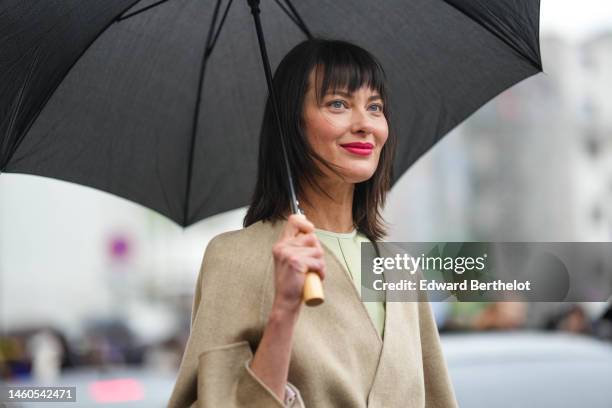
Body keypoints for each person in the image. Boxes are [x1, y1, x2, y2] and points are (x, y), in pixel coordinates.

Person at [168, 38, 457, 408]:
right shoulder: (236, 259)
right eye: (338, 103)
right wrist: (283, 313)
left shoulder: (400, 268)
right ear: (292, 123)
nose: (364, 124)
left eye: (375, 107)